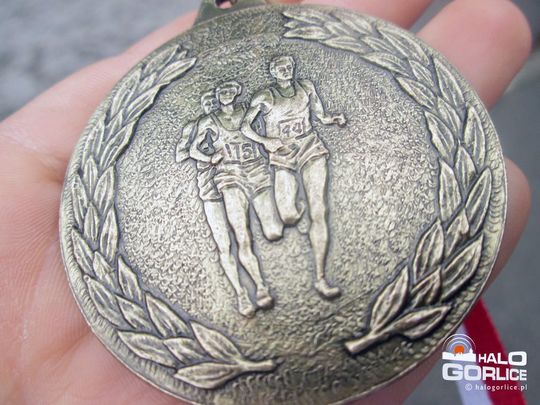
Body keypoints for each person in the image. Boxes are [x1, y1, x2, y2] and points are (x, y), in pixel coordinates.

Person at [0, 0, 532, 403]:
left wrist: (328, 121)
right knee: (256, 231)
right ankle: (264, 256)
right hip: (255, 170)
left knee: (314, 213)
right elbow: (220, 140)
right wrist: (244, 148)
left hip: (307, 152)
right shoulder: (242, 107)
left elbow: (313, 115)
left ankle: (318, 270)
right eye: (226, 95)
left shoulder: (301, 89)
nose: (276, 77)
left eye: (282, 71)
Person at [242, 55, 346, 299]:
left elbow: (320, 115)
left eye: (289, 66)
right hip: (282, 154)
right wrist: (265, 141)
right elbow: (246, 127)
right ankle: (300, 213)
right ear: (272, 72)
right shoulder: (264, 97)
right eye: (280, 68)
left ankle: (320, 278)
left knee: (319, 211)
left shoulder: (306, 87)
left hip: (310, 147)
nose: (286, 70)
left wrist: (333, 119)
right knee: (288, 214)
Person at [190, 80, 284, 316]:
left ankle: (293, 209)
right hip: (229, 176)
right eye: (222, 90)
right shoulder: (208, 121)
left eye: (231, 89)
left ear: (237, 92)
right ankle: (257, 289)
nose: (226, 93)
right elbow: (192, 149)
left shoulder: (248, 110)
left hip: (257, 171)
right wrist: (209, 158)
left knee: (273, 230)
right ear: (217, 95)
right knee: (241, 236)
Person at [176, 90, 255, 318]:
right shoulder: (195, 128)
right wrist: (207, 157)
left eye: (214, 102)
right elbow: (181, 154)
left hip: (235, 179)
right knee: (224, 244)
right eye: (208, 103)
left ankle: (259, 286)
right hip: (209, 188)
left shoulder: (234, 119)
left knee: (244, 237)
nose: (212, 106)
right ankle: (240, 293)